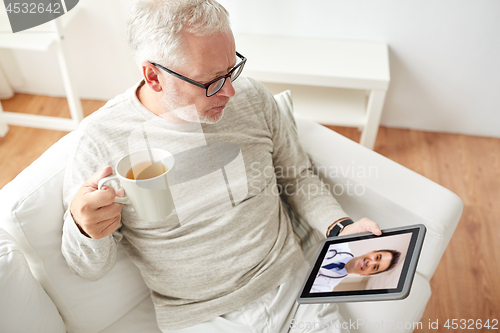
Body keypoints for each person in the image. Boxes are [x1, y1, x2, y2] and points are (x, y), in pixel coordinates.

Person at [61, 1, 383, 332]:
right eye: (212, 80)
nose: (229, 91)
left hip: (292, 287)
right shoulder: (101, 140)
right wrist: (83, 227)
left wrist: (340, 227)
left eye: (232, 69)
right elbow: (88, 268)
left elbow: (297, 177)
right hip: (201, 317)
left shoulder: (251, 97)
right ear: (153, 76)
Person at [311, 243, 401, 293]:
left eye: (375, 267)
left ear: (365, 274)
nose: (370, 262)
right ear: (371, 252)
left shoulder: (324, 289)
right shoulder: (339, 242)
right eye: (377, 257)